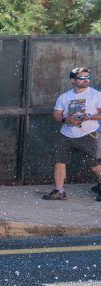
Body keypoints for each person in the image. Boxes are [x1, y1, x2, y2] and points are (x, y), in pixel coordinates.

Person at [43, 66, 101, 201]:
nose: (86, 80)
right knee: (59, 162)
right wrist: (66, 120)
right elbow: (56, 114)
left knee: (94, 165)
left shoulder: (96, 95)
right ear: (72, 80)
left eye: (87, 77)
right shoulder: (64, 97)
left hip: (88, 134)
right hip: (66, 134)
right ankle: (59, 191)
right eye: (82, 77)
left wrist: (89, 117)